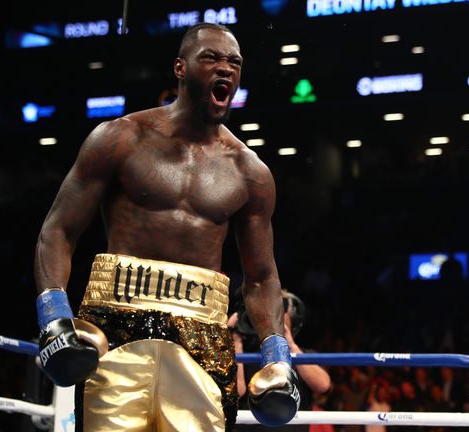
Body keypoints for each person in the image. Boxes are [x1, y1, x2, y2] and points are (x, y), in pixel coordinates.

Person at [32, 22, 299, 431]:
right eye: (211, 57)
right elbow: (58, 230)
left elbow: (261, 277)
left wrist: (277, 358)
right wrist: (54, 318)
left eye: (235, 62)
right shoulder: (120, 138)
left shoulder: (250, 172)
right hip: (116, 319)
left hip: (201, 335)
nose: (225, 68)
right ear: (180, 67)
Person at [231, 290, 332, 432]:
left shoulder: (303, 354)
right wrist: (235, 339)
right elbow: (236, 391)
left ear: (289, 319)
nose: (270, 319)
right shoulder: (245, 354)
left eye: (277, 312)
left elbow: (323, 385)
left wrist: (288, 343)